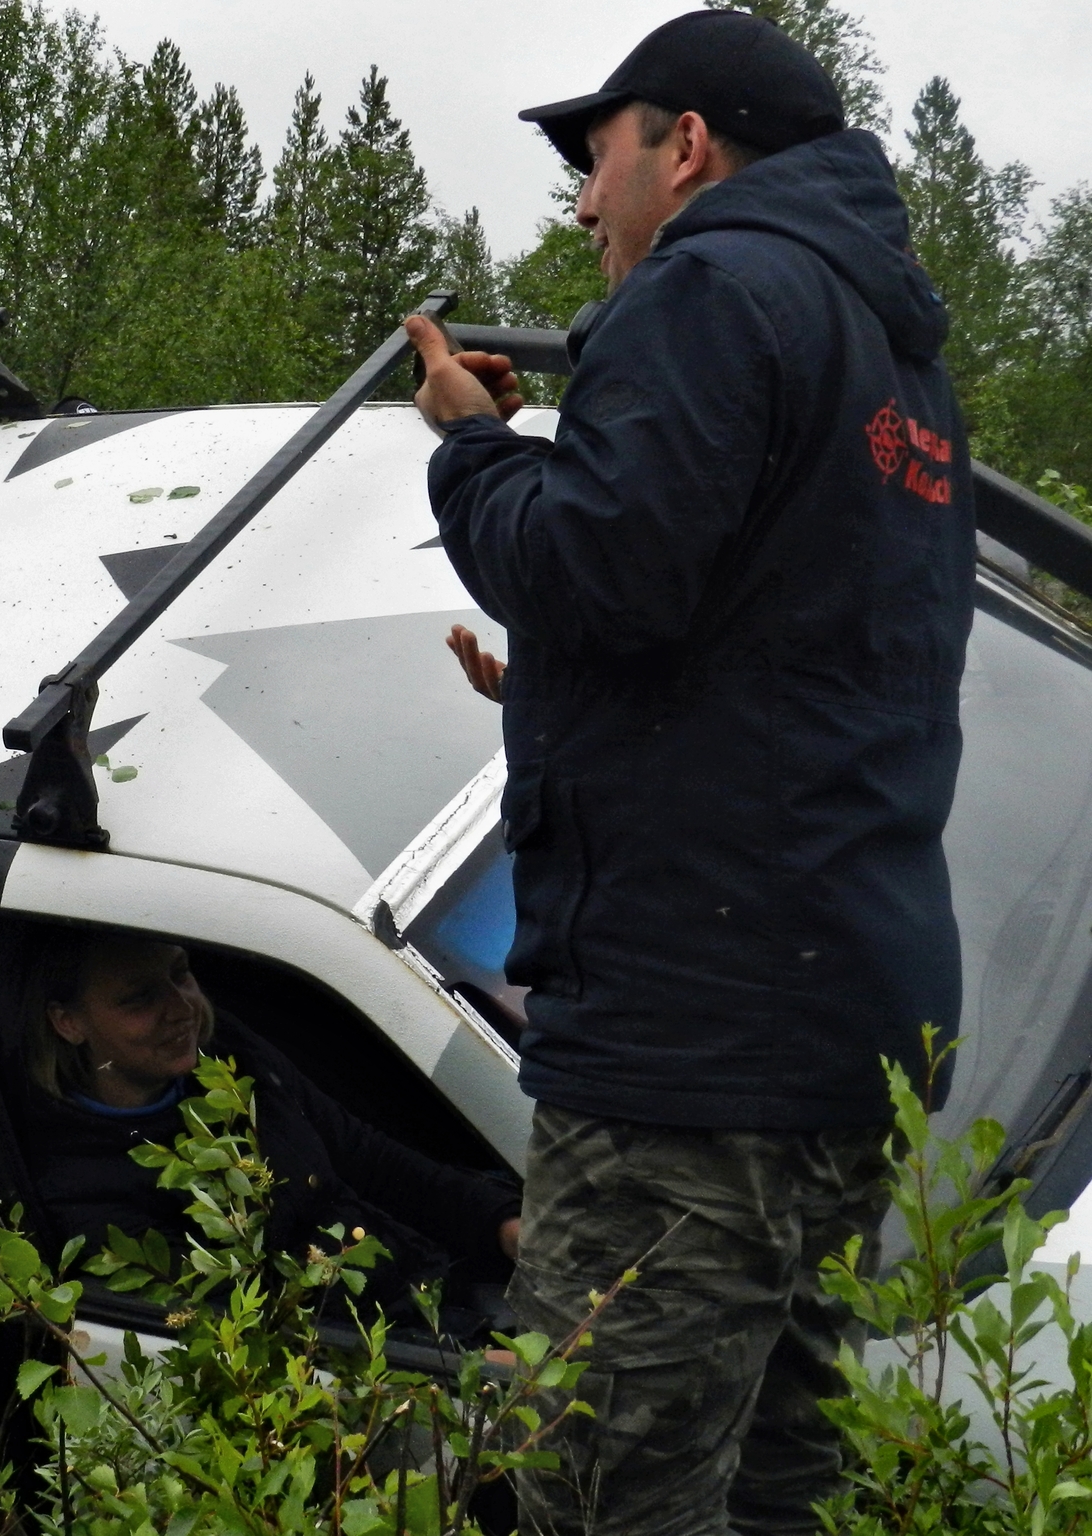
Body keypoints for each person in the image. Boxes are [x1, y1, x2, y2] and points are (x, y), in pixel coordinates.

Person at [403, 10, 973, 1532]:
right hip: (849, 1032)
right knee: (777, 1485)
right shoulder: (895, 355)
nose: (586, 206)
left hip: (691, 1051)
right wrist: (571, 697)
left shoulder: (708, 287)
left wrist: (475, 452)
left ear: (688, 146)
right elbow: (803, 651)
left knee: (592, 1492)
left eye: (598, 161)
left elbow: (598, 569)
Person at [18, 927, 521, 1325]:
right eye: (139, 999)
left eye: (181, 974)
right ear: (68, 1023)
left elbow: (364, 1156)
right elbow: (253, 1336)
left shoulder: (228, 1056)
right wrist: (467, 1363)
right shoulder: (81, 1189)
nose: (182, 1008)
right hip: (373, 1371)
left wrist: (502, 1222)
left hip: (425, 1284)